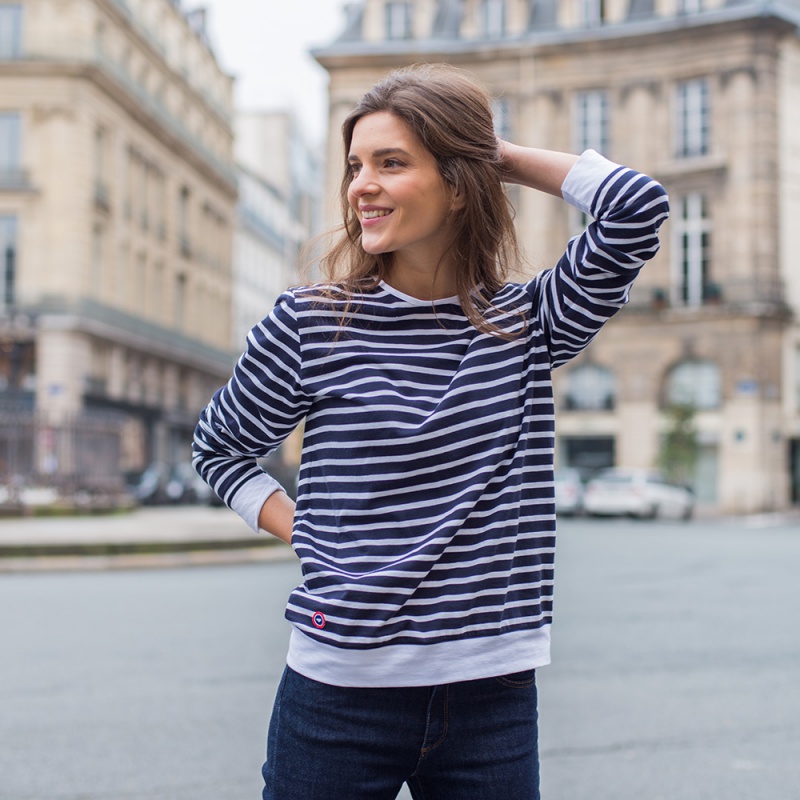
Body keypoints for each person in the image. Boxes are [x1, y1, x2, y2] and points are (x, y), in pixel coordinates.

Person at [193, 63, 669, 800]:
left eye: (391, 163)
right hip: (337, 693)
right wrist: (303, 528)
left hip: (492, 697)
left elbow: (635, 207)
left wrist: (493, 154)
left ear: (456, 183)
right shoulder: (310, 324)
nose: (361, 185)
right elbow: (219, 447)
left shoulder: (528, 322)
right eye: (355, 166)